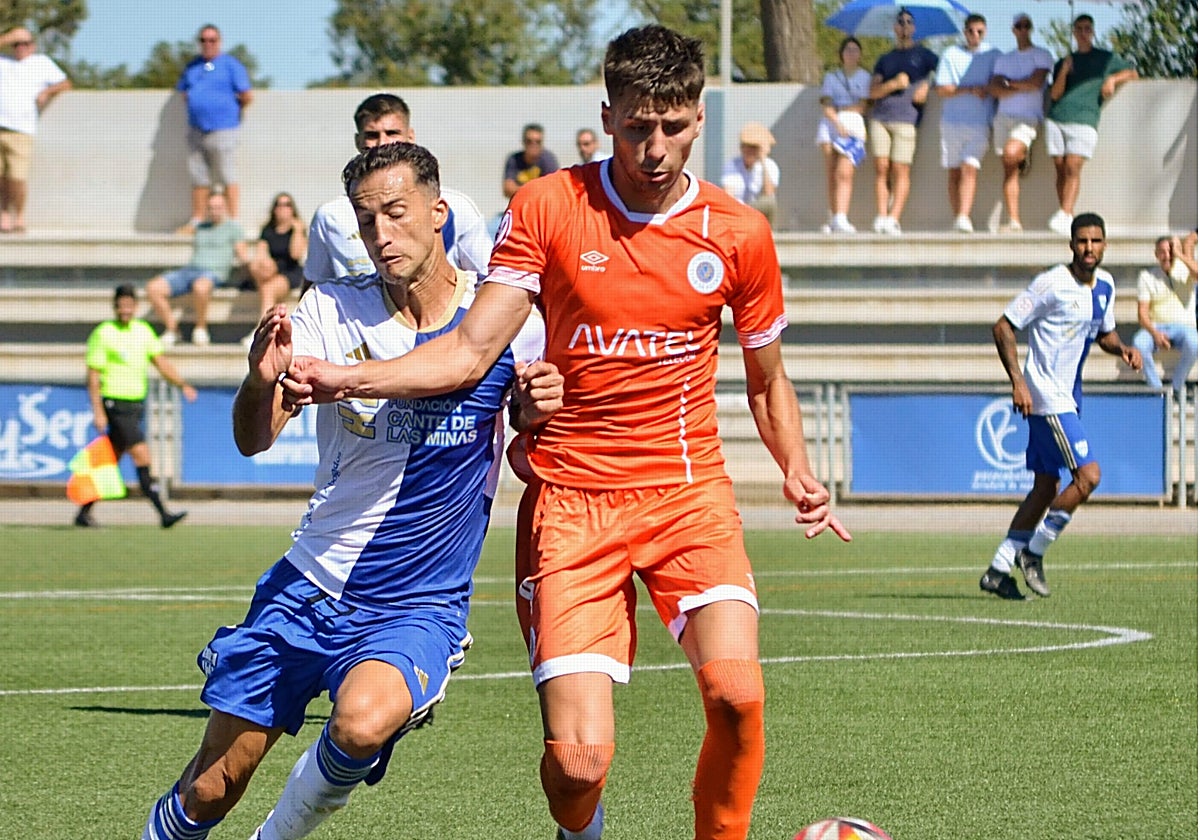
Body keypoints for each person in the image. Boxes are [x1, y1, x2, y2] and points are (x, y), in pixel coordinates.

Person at [282, 24, 851, 840]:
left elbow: (769, 380)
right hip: (573, 505)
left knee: (737, 693)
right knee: (578, 767)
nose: (655, 147)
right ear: (609, 114)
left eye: (675, 125)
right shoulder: (550, 207)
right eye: (636, 126)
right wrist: (345, 376)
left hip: (689, 495)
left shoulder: (738, 233)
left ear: (698, 117)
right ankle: (579, 830)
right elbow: (473, 348)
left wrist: (796, 469)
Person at [138, 141, 562, 840]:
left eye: (396, 214)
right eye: (368, 223)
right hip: (311, 581)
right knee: (213, 786)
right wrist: (257, 380)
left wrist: (541, 404)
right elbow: (256, 436)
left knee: (361, 722)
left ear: (439, 212)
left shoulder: (505, 321)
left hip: (417, 600)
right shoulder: (330, 311)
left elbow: (531, 443)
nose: (383, 236)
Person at [980, 212, 1141, 601]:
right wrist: (1018, 382)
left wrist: (1121, 348)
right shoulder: (1051, 283)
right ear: (1071, 244)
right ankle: (1033, 553)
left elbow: (1103, 332)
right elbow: (1003, 326)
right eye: (1082, 241)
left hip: (1069, 396)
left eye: (1096, 241)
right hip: (1046, 395)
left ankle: (999, 569)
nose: (1089, 248)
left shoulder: (1105, 286)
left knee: (1046, 486)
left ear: (1104, 245)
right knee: (1089, 477)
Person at [305, 92, 492, 288]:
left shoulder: (457, 208)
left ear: (410, 136)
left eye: (392, 133)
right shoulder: (330, 215)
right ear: (358, 141)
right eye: (372, 135)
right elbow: (316, 285)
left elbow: (488, 280)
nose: (382, 143)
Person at [77, 285, 194, 529]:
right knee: (142, 454)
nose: (125, 309)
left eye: (129, 305)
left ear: (135, 307)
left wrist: (182, 384)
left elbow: (160, 362)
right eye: (121, 305)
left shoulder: (143, 331)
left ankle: (84, 512)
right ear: (115, 306)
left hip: (134, 406)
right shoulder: (104, 333)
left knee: (110, 459)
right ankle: (163, 513)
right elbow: (93, 375)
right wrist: (98, 410)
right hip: (114, 404)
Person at [1044, 14, 1137, 237]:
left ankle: (1064, 213)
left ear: (1093, 32)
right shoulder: (1064, 61)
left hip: (1085, 119)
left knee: (1073, 166)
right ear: (1074, 33)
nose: (1084, 32)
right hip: (1057, 117)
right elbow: (1055, 94)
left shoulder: (1106, 58)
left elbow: (1133, 72)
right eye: (1079, 29)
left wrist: (1113, 80)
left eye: (1087, 28)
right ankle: (1067, 215)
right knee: (1060, 168)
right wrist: (1065, 70)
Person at [867, 9, 939, 236]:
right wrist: (894, 84)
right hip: (881, 118)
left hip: (907, 119)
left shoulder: (925, 55)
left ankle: (894, 219)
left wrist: (927, 85)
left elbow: (945, 75)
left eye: (909, 22)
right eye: (901, 22)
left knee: (900, 168)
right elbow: (873, 92)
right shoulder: (885, 59)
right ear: (895, 28)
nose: (905, 26)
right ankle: (881, 215)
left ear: (914, 28)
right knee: (881, 168)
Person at [175, 24, 252, 232]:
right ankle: (197, 219)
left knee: (227, 174)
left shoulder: (231, 65)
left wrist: (227, 110)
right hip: (197, 129)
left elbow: (246, 95)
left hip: (224, 128)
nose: (208, 44)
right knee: (198, 175)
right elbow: (183, 92)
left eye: (212, 40)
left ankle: (233, 221)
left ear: (219, 41)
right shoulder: (193, 67)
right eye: (203, 40)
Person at [145, 191, 244, 346]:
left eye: (218, 207)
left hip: (213, 273)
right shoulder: (201, 226)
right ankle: (173, 330)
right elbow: (179, 233)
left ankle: (201, 328)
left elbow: (242, 252)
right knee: (153, 288)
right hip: (190, 270)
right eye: (211, 207)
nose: (214, 211)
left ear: (225, 208)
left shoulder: (233, 228)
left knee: (200, 287)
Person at [987, 12, 1054, 233]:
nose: (1023, 29)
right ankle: (1014, 220)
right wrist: (1016, 85)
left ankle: (1023, 153)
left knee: (1010, 153)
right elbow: (995, 89)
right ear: (1013, 30)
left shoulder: (1042, 54)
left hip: (1027, 118)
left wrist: (1009, 84)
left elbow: (1035, 84)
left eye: (1027, 25)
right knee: (1009, 168)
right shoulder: (1003, 59)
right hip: (1003, 118)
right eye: (1019, 26)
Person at [0, 26, 70, 234]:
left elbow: (65, 83)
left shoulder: (41, 63)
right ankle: (4, 214)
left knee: (17, 178)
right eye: (17, 44)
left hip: (21, 129)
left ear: (33, 45)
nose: (21, 47)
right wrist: (9, 36)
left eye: (25, 43)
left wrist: (47, 92)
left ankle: (19, 216)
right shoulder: (3, 62)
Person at [934, 13, 999, 234]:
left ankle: (964, 215)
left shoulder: (993, 55)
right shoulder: (950, 54)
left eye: (979, 31)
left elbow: (1002, 83)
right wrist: (969, 89)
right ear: (965, 32)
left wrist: (989, 88)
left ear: (985, 32)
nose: (975, 35)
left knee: (969, 167)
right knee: (954, 172)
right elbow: (942, 89)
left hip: (980, 123)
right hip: (951, 122)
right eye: (971, 31)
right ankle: (958, 219)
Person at [815, 36, 871, 235]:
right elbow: (827, 104)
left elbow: (863, 105)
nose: (851, 53)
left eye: (855, 50)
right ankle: (833, 216)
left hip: (853, 127)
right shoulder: (831, 77)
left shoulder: (865, 77)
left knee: (844, 172)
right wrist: (836, 121)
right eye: (848, 50)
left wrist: (844, 112)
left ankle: (842, 216)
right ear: (841, 54)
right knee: (831, 174)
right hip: (831, 126)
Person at [1131, 235, 1198, 395]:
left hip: (1184, 327)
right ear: (1156, 254)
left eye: (1170, 251)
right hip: (1157, 326)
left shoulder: (1186, 270)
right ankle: (1157, 391)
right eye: (1162, 252)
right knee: (1139, 343)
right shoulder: (1147, 276)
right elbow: (1142, 314)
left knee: (1195, 343)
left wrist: (1180, 255)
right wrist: (1155, 334)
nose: (1167, 256)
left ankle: (1176, 387)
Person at [240, 192, 306, 346]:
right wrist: (267, 266)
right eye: (279, 205)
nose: (283, 209)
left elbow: (295, 255)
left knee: (268, 288)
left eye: (287, 205)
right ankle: (265, 328)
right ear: (274, 209)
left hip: (290, 272)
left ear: (292, 209)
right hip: (271, 270)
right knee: (256, 266)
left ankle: (261, 330)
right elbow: (261, 253)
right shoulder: (268, 230)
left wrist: (297, 230)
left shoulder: (297, 229)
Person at [721, 121, 780, 228]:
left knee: (770, 203)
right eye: (747, 147)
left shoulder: (770, 165)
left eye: (754, 148)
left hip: (757, 209)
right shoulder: (732, 165)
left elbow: (769, 193)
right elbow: (728, 195)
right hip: (738, 210)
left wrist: (762, 160)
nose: (749, 151)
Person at [502, 122, 559, 199]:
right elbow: (507, 189)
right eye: (529, 141)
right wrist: (535, 191)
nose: (533, 145)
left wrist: (520, 190)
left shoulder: (548, 160)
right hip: (519, 204)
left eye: (537, 142)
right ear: (523, 142)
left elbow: (553, 190)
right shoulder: (514, 159)